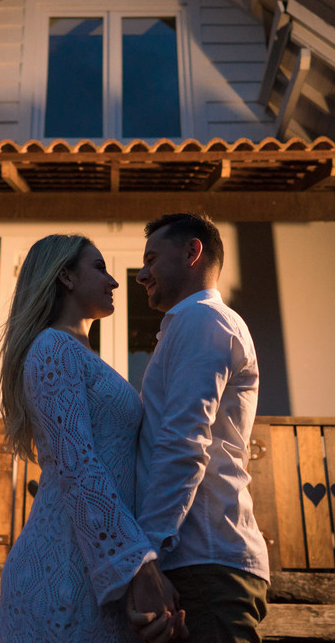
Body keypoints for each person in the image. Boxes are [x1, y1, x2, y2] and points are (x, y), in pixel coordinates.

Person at [0, 234, 185, 643]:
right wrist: (139, 565)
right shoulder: (53, 349)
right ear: (66, 276)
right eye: (100, 268)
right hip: (61, 567)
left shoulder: (82, 356)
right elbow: (77, 464)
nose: (115, 282)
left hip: (91, 565)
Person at [130, 213, 271, 643]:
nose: (141, 274)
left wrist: (147, 554)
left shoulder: (202, 321)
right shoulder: (191, 325)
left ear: (193, 252)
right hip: (196, 559)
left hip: (203, 560)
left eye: (152, 259)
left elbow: (184, 441)